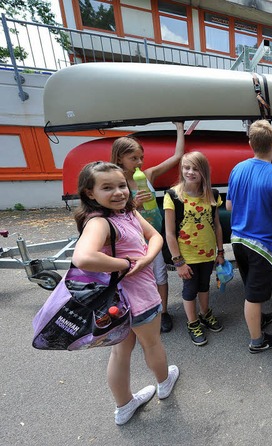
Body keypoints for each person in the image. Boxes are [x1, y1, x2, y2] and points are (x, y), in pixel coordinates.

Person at [72, 161, 179, 426]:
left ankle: (124, 406)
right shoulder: (100, 222)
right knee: (151, 344)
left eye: (121, 185)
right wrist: (127, 264)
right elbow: (83, 257)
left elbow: (155, 237)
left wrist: (145, 259)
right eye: (107, 187)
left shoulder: (126, 212)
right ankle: (164, 383)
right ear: (89, 193)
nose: (119, 192)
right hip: (138, 300)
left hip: (115, 306)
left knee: (121, 352)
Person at [111, 122, 185, 333]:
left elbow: (177, 157)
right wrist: (136, 205)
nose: (139, 162)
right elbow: (113, 217)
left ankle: (163, 312)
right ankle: (135, 311)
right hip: (133, 239)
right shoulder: (117, 184)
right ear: (119, 159)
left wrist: (180, 127)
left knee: (160, 274)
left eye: (140, 157)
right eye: (133, 158)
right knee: (137, 276)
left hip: (154, 236)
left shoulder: (148, 175)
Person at [227, 120, 272, 353]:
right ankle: (257, 341)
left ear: (250, 143)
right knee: (253, 296)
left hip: (238, 240)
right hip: (261, 245)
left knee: (252, 288)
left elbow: (229, 205)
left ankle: (259, 318)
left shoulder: (237, 169)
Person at [164, 151, 225, 346]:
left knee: (204, 285)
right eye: (186, 168)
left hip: (207, 253)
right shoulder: (173, 196)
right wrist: (178, 262)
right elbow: (170, 233)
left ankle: (205, 313)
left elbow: (217, 225)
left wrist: (220, 251)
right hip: (186, 256)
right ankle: (192, 323)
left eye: (195, 168)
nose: (190, 172)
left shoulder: (212, 195)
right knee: (190, 290)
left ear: (203, 172)